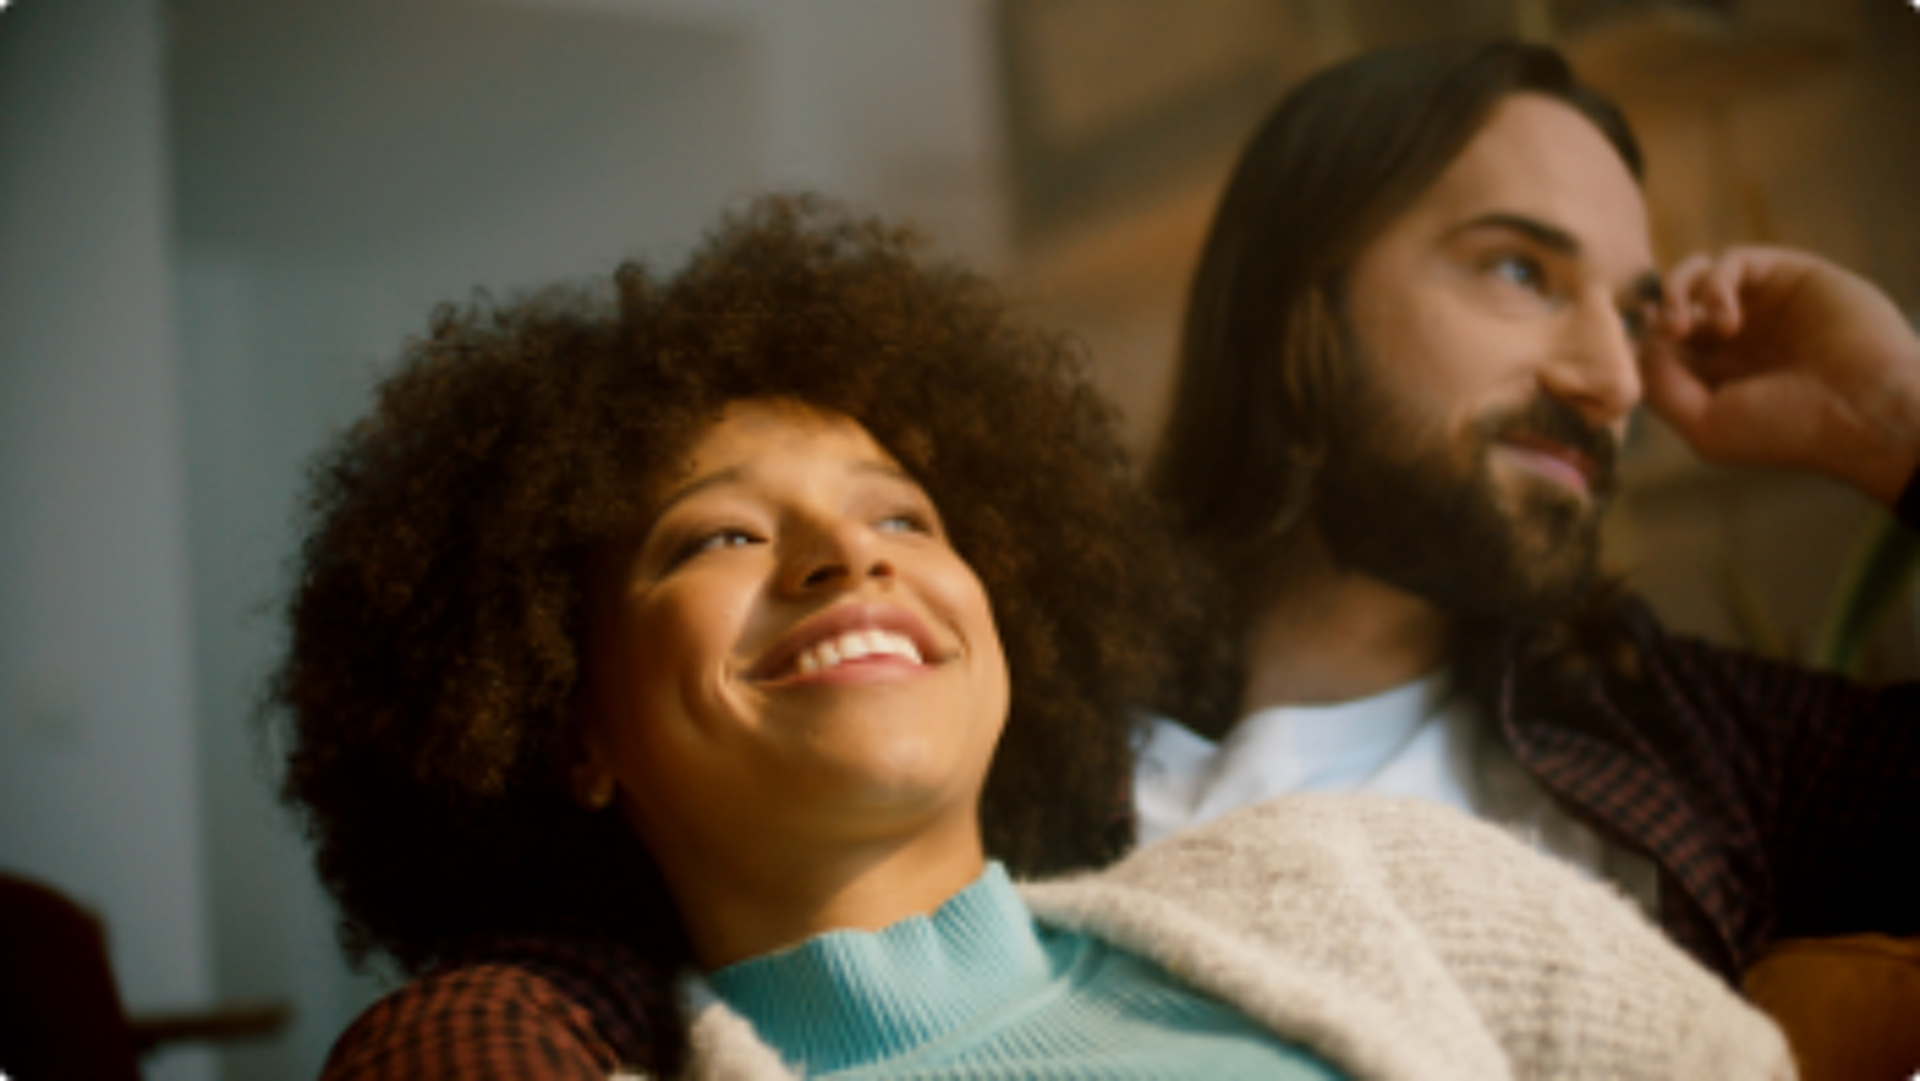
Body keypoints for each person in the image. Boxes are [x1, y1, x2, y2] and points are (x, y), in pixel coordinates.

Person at [272, 194, 1788, 1079]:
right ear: (566, 723)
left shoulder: (1354, 875)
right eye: (720, 534)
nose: (845, 554)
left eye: (906, 519)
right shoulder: (538, 1045)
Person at [1144, 38, 1920, 988]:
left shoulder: (1690, 742)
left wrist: (1894, 413)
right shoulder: (1017, 752)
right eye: (1519, 271)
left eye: (1633, 317)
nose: (1614, 380)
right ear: (1299, 307)